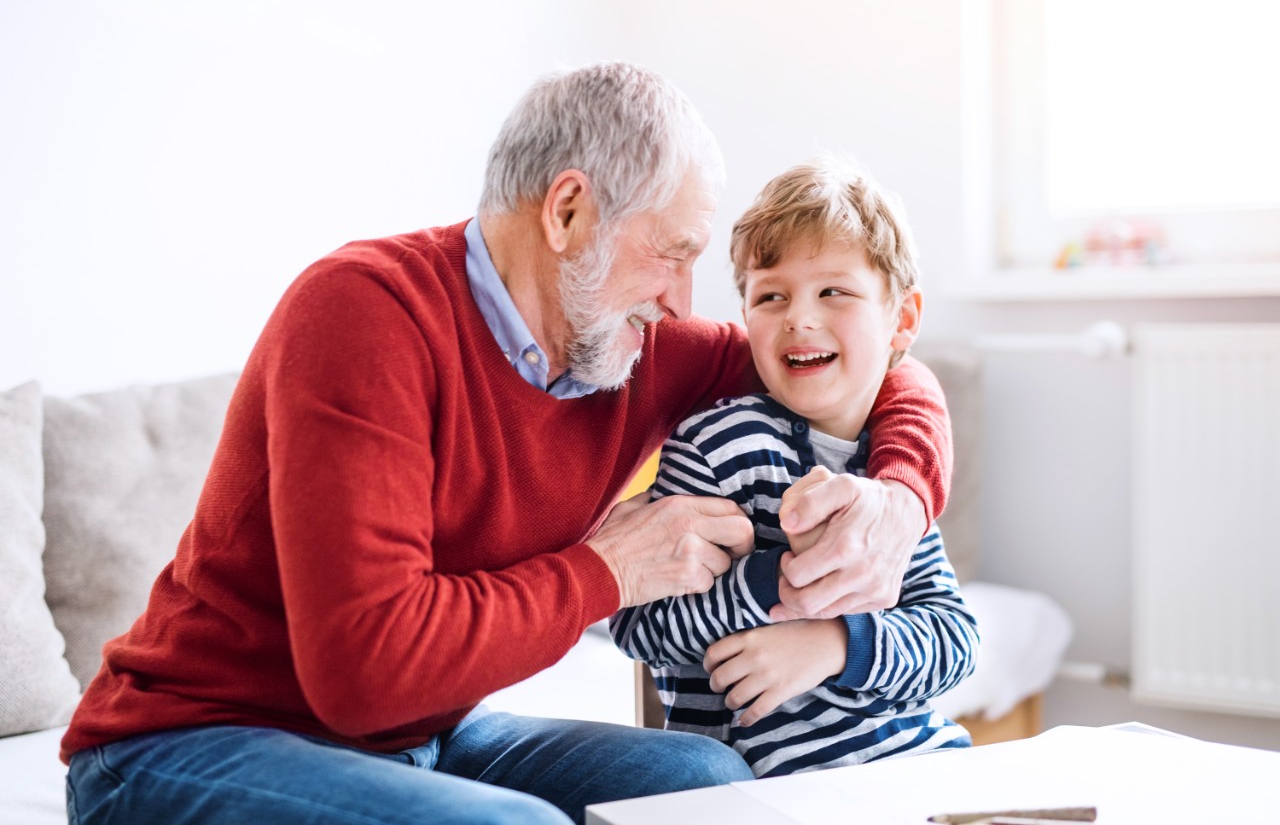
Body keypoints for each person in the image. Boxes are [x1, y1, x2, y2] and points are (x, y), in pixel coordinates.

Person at [60, 63, 953, 824]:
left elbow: (853, 365)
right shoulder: (363, 314)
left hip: (421, 735)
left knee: (700, 786)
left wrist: (902, 495)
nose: (684, 299)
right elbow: (365, 673)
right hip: (194, 736)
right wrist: (609, 571)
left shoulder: (629, 340)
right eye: (670, 254)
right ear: (569, 212)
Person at [611, 158, 978, 778]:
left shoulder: (887, 480)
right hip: (755, 787)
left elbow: (953, 640)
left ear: (903, 320)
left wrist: (835, 645)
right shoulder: (713, 446)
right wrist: (774, 584)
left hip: (917, 767)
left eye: (833, 291)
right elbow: (642, 630)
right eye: (771, 295)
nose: (799, 318)